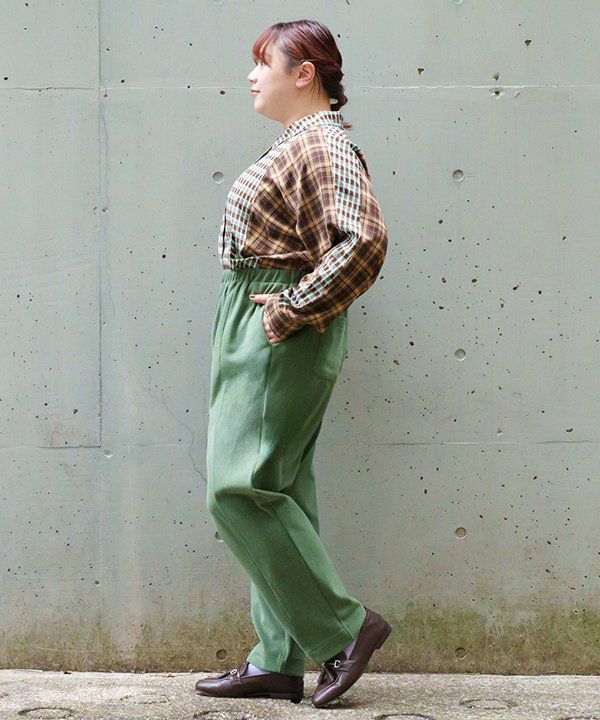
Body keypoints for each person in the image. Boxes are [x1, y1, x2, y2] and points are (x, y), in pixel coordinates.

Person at [195, 19, 391, 708]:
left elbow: (364, 240)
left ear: (304, 73)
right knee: (275, 488)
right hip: (258, 315)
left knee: (236, 488)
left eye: (264, 63)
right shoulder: (299, 142)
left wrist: (288, 309)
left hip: (278, 325)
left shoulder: (321, 144)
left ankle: (345, 628)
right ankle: (276, 659)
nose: (252, 75)